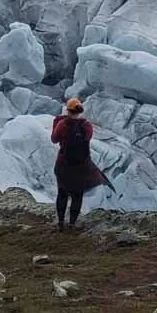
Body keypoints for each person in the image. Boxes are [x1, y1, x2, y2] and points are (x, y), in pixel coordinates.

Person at [51, 97, 107, 231]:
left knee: (62, 193)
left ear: (67, 110)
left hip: (64, 164)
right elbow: (87, 138)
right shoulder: (87, 126)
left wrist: (57, 122)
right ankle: (72, 224)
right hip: (81, 167)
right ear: (80, 111)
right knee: (77, 195)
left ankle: (60, 223)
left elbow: (54, 139)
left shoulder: (62, 124)